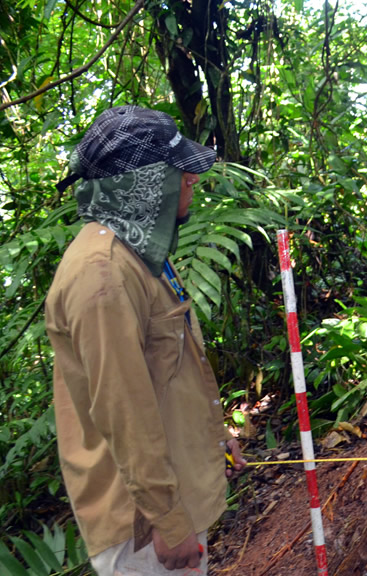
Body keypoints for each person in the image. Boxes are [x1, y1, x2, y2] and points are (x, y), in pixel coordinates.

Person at [46, 105, 247, 574]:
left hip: (162, 503)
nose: (192, 181)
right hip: (142, 529)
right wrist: (168, 519)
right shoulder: (103, 275)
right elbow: (124, 408)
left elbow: (165, 370)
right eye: (180, 172)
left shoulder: (137, 250)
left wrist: (212, 435)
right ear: (145, 184)